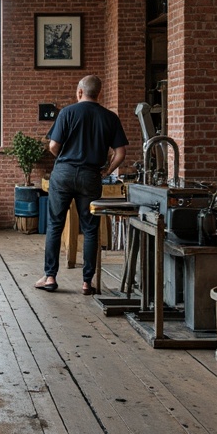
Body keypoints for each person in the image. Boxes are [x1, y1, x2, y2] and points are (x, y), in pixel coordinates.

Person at [35, 74, 129, 295]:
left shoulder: (67, 112)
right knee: (90, 229)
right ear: (99, 93)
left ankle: (50, 277)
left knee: (55, 225)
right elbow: (121, 153)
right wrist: (107, 170)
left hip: (64, 174)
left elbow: (53, 146)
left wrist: (65, 157)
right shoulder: (110, 117)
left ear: (79, 92)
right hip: (91, 176)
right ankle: (87, 282)